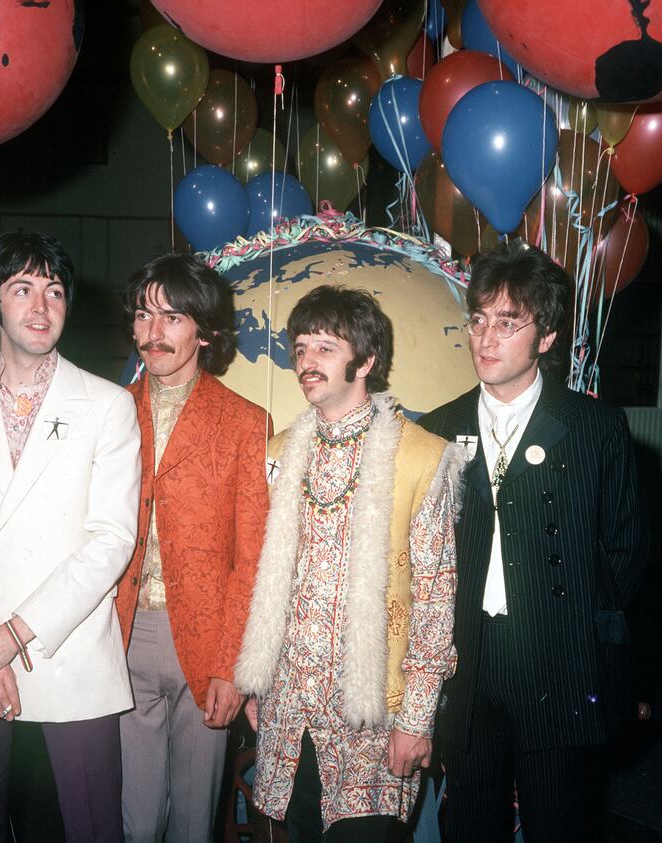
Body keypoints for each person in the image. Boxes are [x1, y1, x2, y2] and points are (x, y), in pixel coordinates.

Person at [0, 230, 141, 842]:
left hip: (63, 645)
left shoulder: (108, 404)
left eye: (55, 292)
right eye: (23, 289)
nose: (41, 308)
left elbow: (112, 539)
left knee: (94, 826)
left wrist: (14, 635)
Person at [418, 240, 646, 842]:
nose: (486, 339)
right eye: (479, 320)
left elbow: (626, 553)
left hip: (560, 657)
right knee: (469, 824)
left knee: (559, 824)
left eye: (508, 322)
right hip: (469, 662)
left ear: (545, 338)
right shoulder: (440, 430)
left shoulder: (595, 428)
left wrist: (583, 633)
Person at [235, 285, 462, 842]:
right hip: (291, 709)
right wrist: (259, 684)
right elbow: (268, 582)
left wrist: (416, 720)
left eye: (325, 349)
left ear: (365, 361)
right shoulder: (280, 452)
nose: (306, 362)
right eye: (302, 347)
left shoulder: (421, 456)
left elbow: (435, 602)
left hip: (372, 718)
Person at [115, 253, 270, 843]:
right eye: (144, 315)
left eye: (173, 318)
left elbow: (252, 558)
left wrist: (233, 667)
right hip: (123, 635)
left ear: (204, 331)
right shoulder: (108, 412)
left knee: (193, 827)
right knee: (137, 819)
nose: (154, 334)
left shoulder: (242, 422)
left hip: (207, 646)